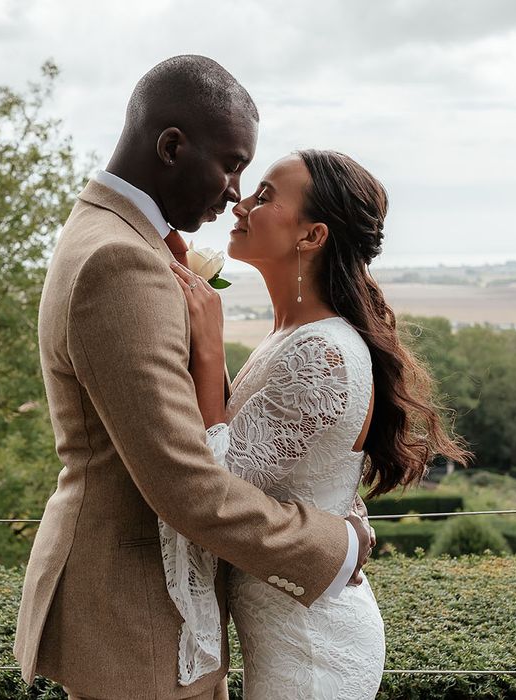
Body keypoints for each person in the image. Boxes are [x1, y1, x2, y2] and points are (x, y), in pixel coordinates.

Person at [13, 57, 373, 700]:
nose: (236, 192)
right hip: (137, 618)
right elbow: (185, 482)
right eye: (233, 164)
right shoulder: (122, 259)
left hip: (157, 603)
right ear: (172, 146)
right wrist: (335, 543)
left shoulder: (125, 241)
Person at [166, 150, 471, 699]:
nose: (241, 201)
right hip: (289, 629)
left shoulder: (322, 353)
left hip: (310, 650)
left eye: (265, 196)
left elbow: (216, 489)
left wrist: (209, 352)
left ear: (312, 236)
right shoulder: (293, 337)